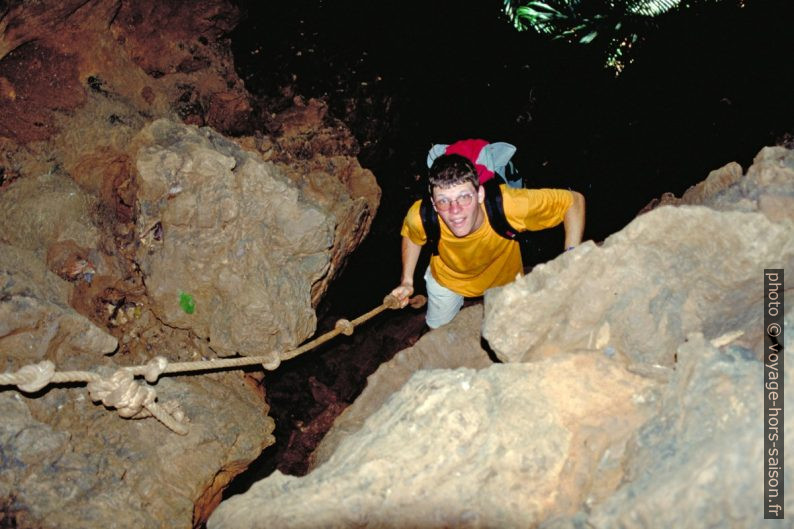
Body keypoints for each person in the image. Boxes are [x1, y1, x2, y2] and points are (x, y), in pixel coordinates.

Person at [390, 153, 585, 328]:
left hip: (503, 280)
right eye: (443, 201)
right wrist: (407, 280)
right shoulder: (421, 215)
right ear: (433, 204)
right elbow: (411, 234)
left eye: (464, 197)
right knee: (436, 329)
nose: (455, 210)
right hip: (447, 280)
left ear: (480, 194)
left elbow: (573, 201)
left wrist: (572, 259)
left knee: (519, 331)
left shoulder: (510, 205)